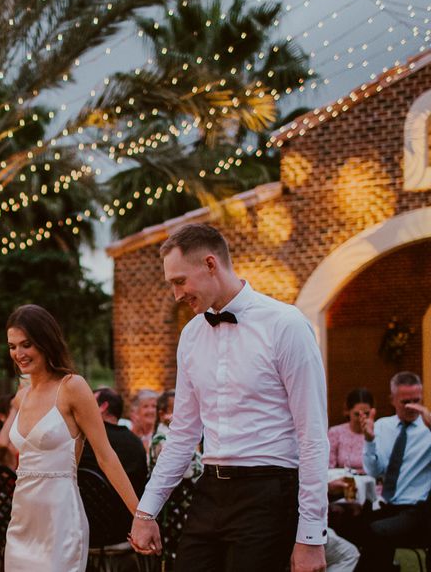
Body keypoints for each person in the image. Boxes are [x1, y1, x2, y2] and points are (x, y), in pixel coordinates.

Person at [129, 223, 328, 572]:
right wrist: (146, 512)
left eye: (179, 281)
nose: (176, 294)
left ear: (210, 264)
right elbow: (182, 435)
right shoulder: (190, 336)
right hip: (209, 491)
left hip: (269, 492)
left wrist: (311, 536)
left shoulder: (286, 325)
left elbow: (312, 436)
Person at [0, 304, 140, 572]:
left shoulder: (72, 387)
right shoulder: (22, 393)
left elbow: (105, 455)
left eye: (26, 344)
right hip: (22, 518)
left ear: (45, 341)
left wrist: (140, 516)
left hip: (59, 518)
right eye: (12, 346)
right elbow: (5, 448)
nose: (18, 354)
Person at [357, 371, 431, 572]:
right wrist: (370, 440)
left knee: (378, 532)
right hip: (387, 504)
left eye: (417, 400)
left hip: (417, 509)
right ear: (393, 400)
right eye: (406, 402)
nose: (412, 407)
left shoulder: (428, 429)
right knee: (351, 526)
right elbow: (373, 471)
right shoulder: (382, 426)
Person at [79, 387, 148, 497]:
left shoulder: (87, 440)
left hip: (87, 510)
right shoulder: (136, 443)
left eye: (89, 403)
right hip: (126, 510)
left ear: (103, 407)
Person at [329, 388, 374, 473]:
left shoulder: (379, 432)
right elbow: (329, 467)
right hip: (344, 483)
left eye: (366, 414)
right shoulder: (335, 433)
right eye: (357, 414)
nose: (362, 418)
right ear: (347, 411)